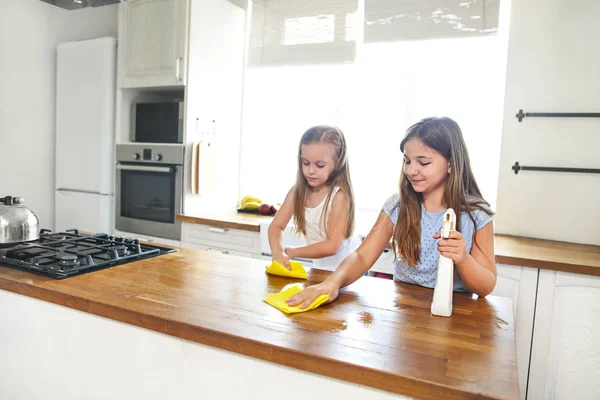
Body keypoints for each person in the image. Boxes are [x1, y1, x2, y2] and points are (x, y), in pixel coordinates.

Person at [287, 117, 497, 308]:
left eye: (423, 162)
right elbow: (361, 256)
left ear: (451, 163)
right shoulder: (397, 206)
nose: (411, 170)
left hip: (459, 314)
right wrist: (330, 284)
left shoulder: (476, 215)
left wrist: (463, 259)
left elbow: (485, 286)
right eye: (407, 160)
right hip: (405, 308)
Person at [268, 125, 360, 271]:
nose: (310, 171)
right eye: (306, 163)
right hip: (321, 268)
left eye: (319, 165)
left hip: (348, 270)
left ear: (337, 164)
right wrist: (278, 252)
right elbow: (275, 226)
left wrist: (293, 251)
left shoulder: (339, 197)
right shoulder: (298, 192)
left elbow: (332, 246)